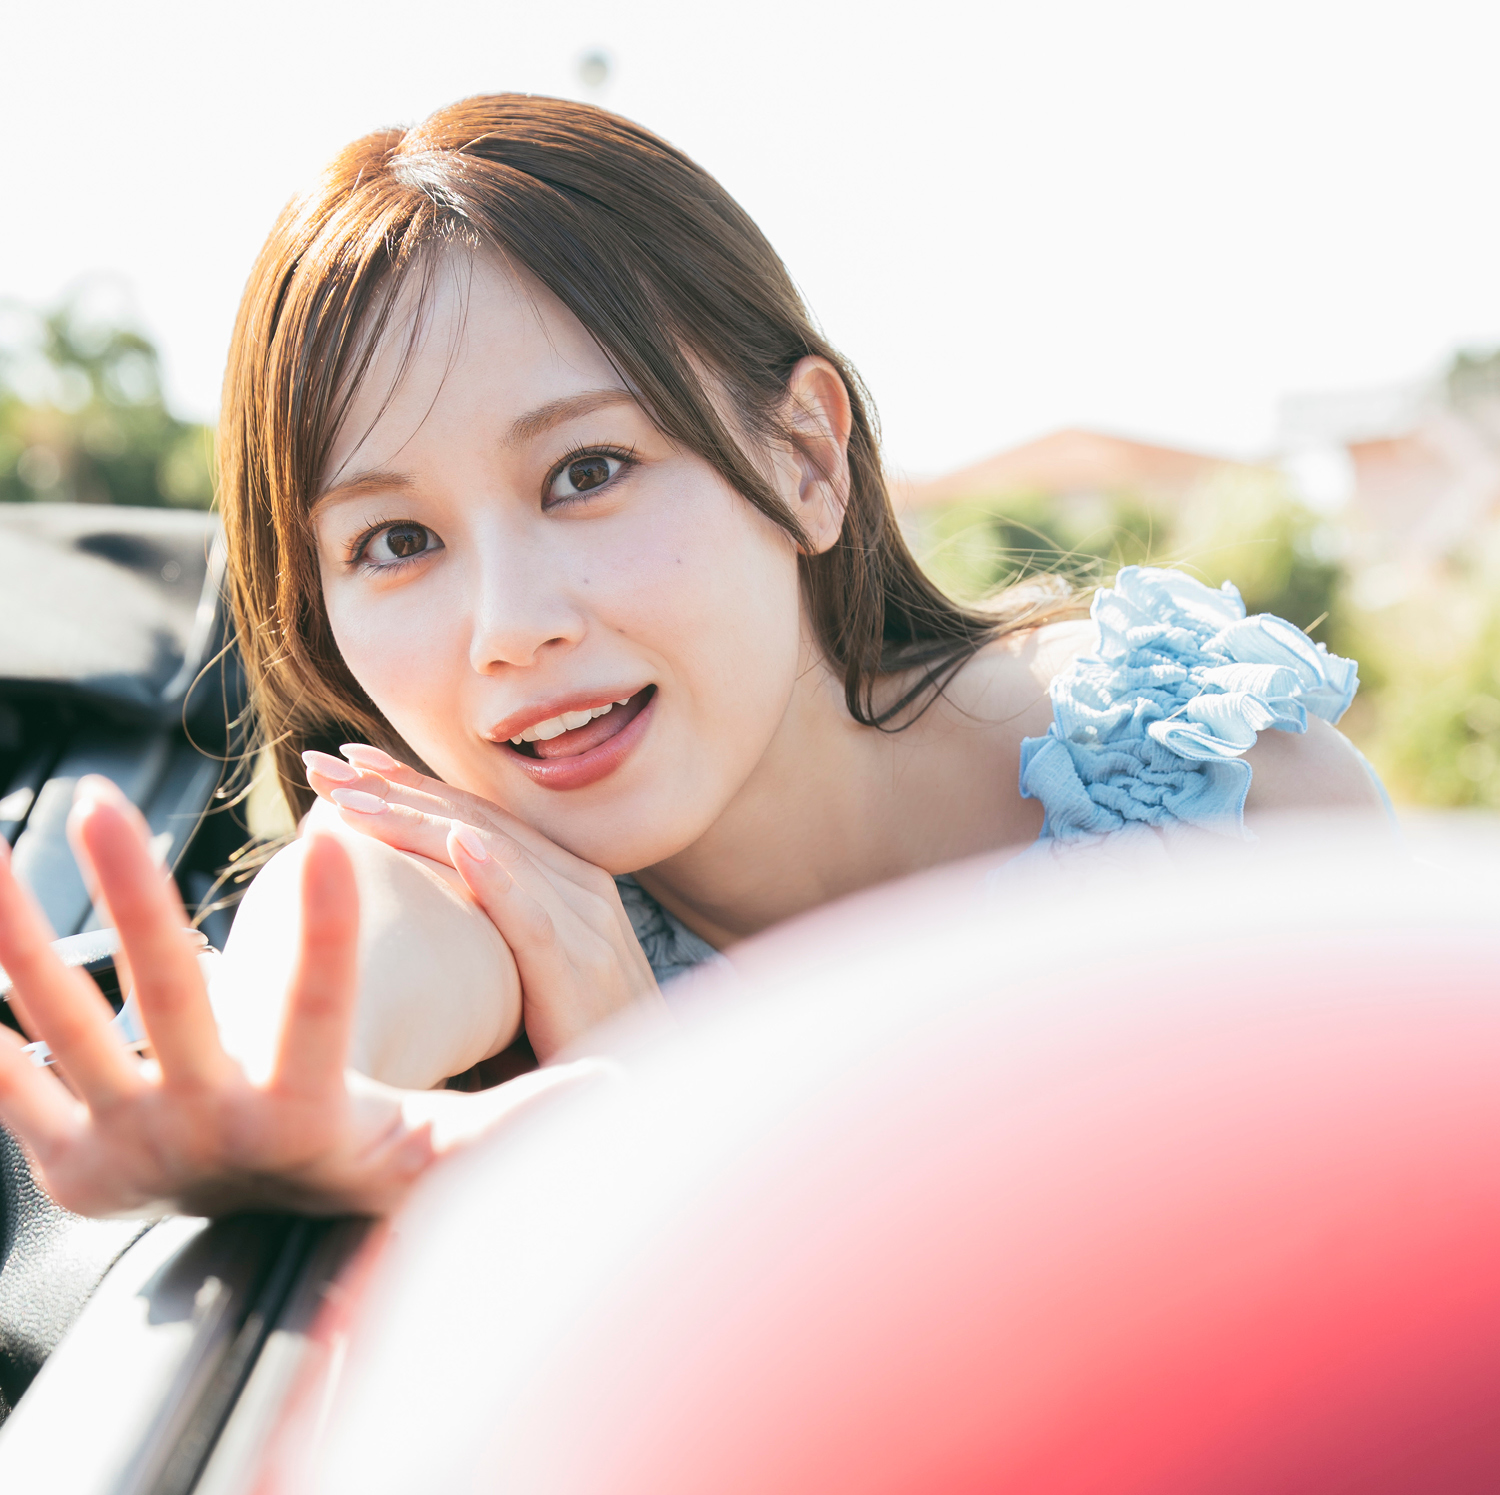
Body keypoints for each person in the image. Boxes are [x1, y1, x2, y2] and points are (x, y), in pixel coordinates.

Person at [0, 96, 1382, 1221]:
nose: (510, 627)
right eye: (396, 542)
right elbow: (347, 934)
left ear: (805, 459)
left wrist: (646, 1075)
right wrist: (264, 1094)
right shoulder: (494, 883)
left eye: (587, 471)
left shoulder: (1205, 790)